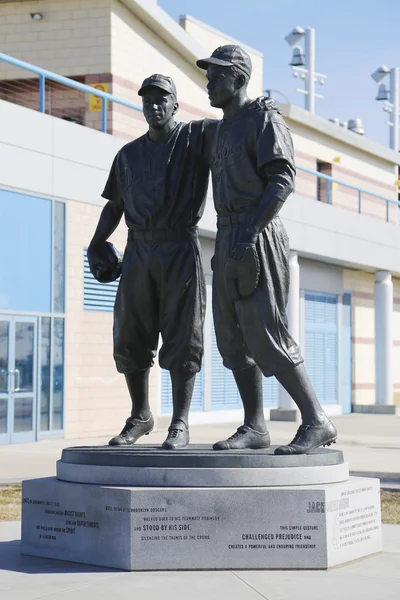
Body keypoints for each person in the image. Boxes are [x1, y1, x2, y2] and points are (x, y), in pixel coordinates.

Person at [196, 45, 337, 454]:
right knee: (232, 339)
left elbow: (281, 181)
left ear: (239, 79)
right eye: (209, 76)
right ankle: (255, 426)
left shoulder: (264, 119)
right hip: (227, 234)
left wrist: (248, 234)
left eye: (217, 77)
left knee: (266, 332)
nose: (210, 83)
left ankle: (316, 420)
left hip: (257, 233)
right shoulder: (219, 129)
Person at [88, 74, 214, 450]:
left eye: (162, 100)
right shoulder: (127, 155)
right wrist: (96, 242)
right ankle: (141, 415)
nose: (154, 106)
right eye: (147, 101)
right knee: (130, 334)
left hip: (179, 246)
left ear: (176, 104)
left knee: (183, 335)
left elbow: (236, 125)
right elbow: (115, 205)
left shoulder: (194, 140)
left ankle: (180, 421)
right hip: (138, 251)